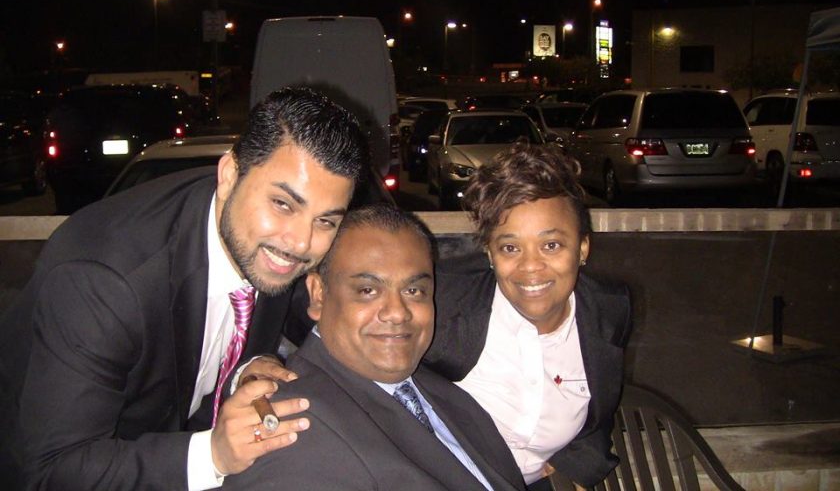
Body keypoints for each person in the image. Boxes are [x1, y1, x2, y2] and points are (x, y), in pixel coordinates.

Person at [4, 87, 369, 490]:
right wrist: (214, 454)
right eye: (283, 204)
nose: (301, 243)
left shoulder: (255, 233)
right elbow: (54, 470)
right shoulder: (104, 281)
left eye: (326, 221)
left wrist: (244, 370)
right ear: (230, 175)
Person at [223, 205, 526, 491]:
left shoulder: (446, 394)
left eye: (413, 290)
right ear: (318, 295)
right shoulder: (292, 430)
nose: (397, 312)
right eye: (367, 290)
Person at [423, 143, 633, 490]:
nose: (531, 267)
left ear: (582, 248)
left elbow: (600, 410)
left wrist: (580, 465)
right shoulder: (444, 302)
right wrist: (304, 373)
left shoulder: (608, 311)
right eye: (510, 247)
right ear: (489, 252)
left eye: (551, 245)